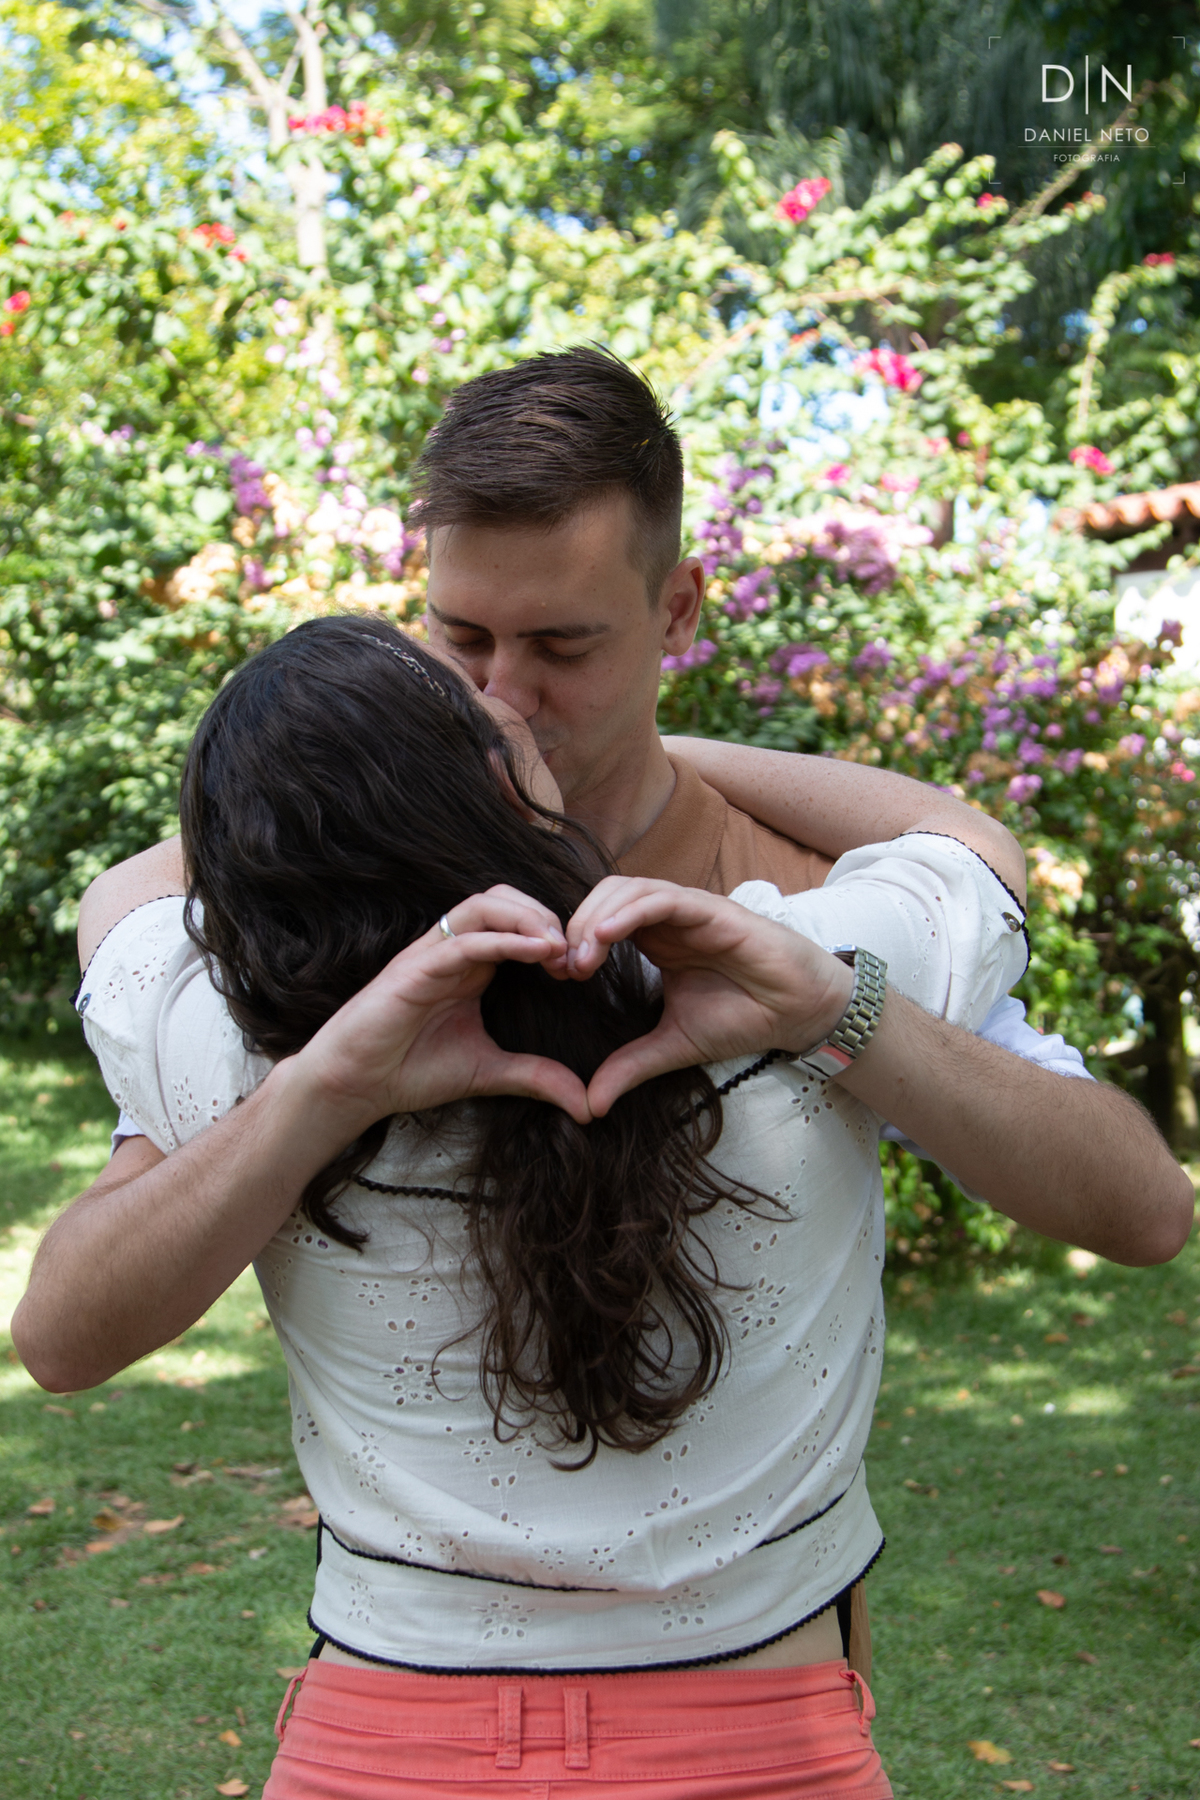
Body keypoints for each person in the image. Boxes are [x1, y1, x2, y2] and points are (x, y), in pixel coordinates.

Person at [29, 346, 1193, 1687]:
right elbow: (69, 1327)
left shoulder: (801, 892)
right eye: (458, 642)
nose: (503, 696)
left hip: (755, 1692)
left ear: (677, 607)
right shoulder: (321, 928)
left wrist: (631, 781)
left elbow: (1141, 1209)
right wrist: (404, 800)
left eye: (563, 646)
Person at [18, 615, 1052, 1797]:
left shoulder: (241, 1066)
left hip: (380, 1749)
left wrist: (316, 799)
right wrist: (649, 752)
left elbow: (129, 892)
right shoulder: (781, 978)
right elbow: (970, 845)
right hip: (765, 1746)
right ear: (503, 786)